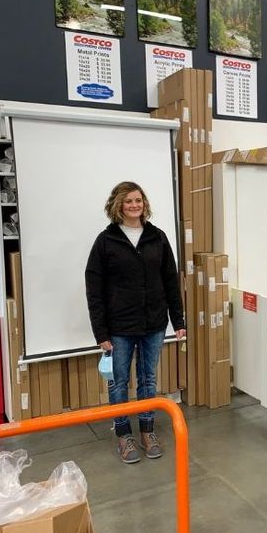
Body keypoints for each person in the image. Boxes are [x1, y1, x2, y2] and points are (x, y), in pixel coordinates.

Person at [85, 181, 186, 464]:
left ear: (144, 204)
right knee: (118, 384)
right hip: (118, 327)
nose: (134, 205)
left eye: (138, 200)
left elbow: (170, 281)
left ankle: (147, 432)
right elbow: (94, 289)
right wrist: (100, 332)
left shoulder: (158, 237)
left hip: (153, 323)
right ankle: (123, 436)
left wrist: (177, 320)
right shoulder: (106, 241)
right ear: (118, 205)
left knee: (148, 380)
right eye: (128, 201)